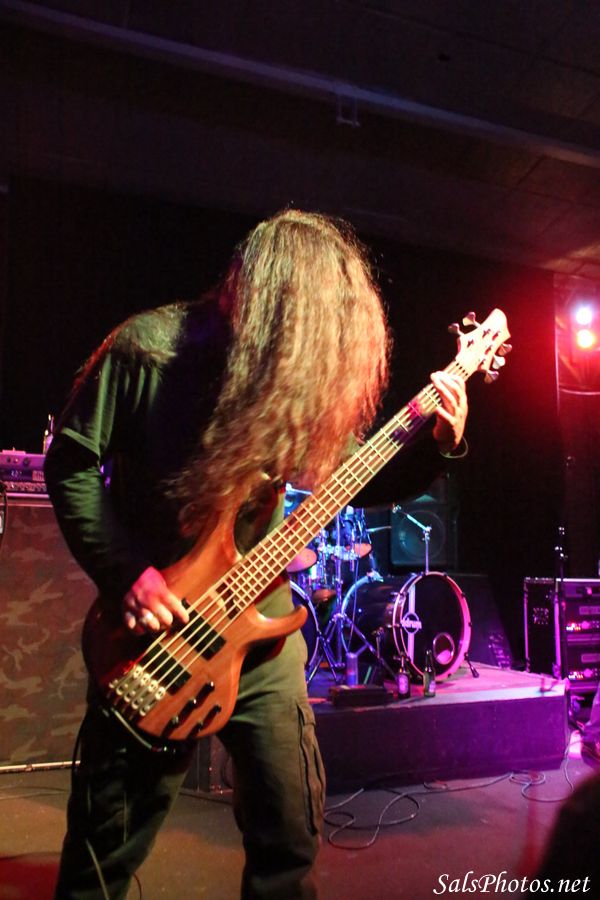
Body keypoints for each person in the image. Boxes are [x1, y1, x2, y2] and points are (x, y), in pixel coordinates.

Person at [44, 209, 468, 899]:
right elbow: (70, 463)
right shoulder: (146, 351)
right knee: (103, 857)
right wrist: (128, 574)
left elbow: (356, 475)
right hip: (157, 636)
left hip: (262, 632)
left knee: (289, 842)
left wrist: (440, 444)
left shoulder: (286, 381)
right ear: (260, 302)